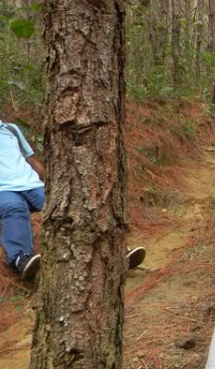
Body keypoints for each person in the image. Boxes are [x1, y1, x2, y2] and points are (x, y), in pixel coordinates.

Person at [0, 118, 146, 281]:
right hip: (3, 190)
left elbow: (31, 159)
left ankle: (114, 250)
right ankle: (21, 260)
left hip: (32, 184)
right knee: (14, 208)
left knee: (69, 205)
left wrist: (52, 183)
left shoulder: (10, 129)